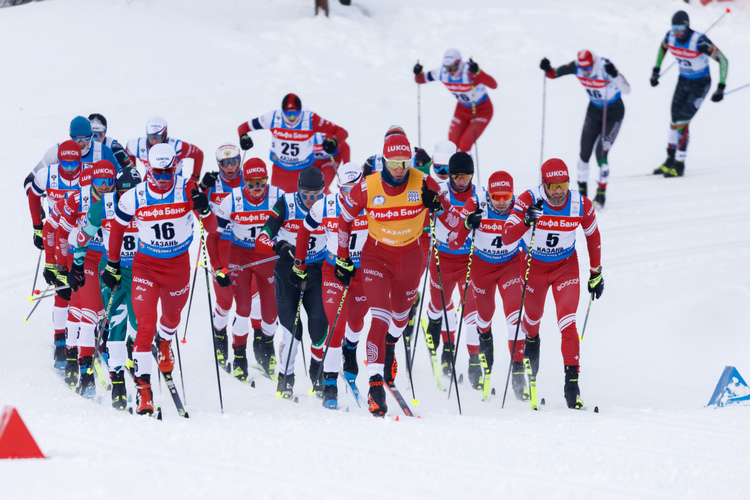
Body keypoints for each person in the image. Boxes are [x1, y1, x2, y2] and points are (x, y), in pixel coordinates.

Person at [335, 132, 463, 417]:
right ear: (383, 161)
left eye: (405, 162)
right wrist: (343, 258)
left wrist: (439, 207)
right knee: (379, 317)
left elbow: (455, 225)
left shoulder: (424, 180)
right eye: (393, 163)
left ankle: (391, 346)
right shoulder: (368, 187)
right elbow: (344, 219)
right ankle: (375, 385)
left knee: (400, 318)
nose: (400, 169)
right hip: (376, 257)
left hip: (412, 257)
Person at [101, 143, 216, 416]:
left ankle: (164, 342)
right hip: (146, 267)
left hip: (177, 267)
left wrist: (205, 207)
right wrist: (114, 264)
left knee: (171, 319)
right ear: (148, 169)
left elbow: (211, 229)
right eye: (158, 172)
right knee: (144, 326)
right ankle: (144, 393)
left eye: (168, 171)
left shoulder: (187, 189)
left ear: (175, 168)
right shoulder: (135, 196)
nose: (163, 178)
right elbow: (117, 230)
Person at [502, 158, 604, 409]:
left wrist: (595, 272)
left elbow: (593, 235)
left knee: (568, 323)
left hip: (564, 268)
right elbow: (506, 237)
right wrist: (526, 220)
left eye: (564, 185)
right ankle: (529, 359)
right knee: (532, 324)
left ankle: (572, 385)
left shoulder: (580, 203)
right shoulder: (528, 199)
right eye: (553, 186)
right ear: (544, 184)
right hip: (533, 268)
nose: (559, 191)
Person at [292, 162, 369, 409]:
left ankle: (351, 349)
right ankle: (330, 382)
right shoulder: (326, 205)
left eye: (355, 188)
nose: (351, 194)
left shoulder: (372, 203)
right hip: (334, 270)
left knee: (357, 321)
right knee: (336, 325)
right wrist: (299, 263)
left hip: (363, 272)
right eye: (346, 189)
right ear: (338, 188)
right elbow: (304, 231)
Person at [67, 167, 143, 409]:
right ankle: (117, 382)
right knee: (116, 324)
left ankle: (141, 375)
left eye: (133, 192)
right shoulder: (104, 206)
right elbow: (82, 237)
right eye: (123, 192)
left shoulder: (148, 202)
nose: (128, 197)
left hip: (143, 270)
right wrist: (76, 266)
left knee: (140, 323)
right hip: (112, 271)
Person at [449, 170, 527, 399]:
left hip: (510, 265)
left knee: (515, 315)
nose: (502, 202)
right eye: (496, 196)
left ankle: (518, 370)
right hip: (482, 266)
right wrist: (466, 224)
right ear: (489, 194)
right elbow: (454, 243)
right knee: (483, 318)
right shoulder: (475, 203)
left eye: (506, 196)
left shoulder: (520, 206)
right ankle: (478, 357)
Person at [255, 166, 329, 398]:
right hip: (289, 271)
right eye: (306, 195)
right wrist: (278, 246)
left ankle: (317, 371)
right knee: (292, 330)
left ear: (323, 192)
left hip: (317, 270)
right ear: (298, 190)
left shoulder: (330, 205)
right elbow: (262, 237)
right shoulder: (286, 204)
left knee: (319, 325)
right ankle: (285, 378)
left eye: (316, 195)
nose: (311, 200)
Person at [212, 157, 283, 382]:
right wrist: (218, 267)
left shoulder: (277, 196)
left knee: (271, 314)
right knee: (242, 308)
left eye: (260, 183)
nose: (256, 189)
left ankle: (267, 350)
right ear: (245, 182)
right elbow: (213, 236)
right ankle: (239, 357)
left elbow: (293, 226)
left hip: (267, 257)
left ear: (267, 181)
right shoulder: (231, 200)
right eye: (251, 183)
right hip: (240, 255)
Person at [56, 160, 118, 398]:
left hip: (106, 260)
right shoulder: (77, 199)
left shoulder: (117, 202)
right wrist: (62, 269)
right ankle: (84, 370)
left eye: (108, 182)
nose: (104, 187)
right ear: (91, 180)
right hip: (82, 260)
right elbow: (61, 232)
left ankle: (72, 355)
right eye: (99, 181)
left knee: (81, 310)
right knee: (90, 312)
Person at [540, 50, 631, 207]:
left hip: (613, 112)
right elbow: (553, 74)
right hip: (594, 111)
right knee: (584, 154)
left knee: (601, 152)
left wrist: (614, 74)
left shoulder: (604, 66)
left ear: (594, 62)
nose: (586, 72)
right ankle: (582, 197)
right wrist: (547, 68)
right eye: (584, 69)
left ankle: (601, 195)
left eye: (589, 68)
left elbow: (627, 90)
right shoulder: (577, 66)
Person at [27, 140, 84, 371]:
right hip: (58, 236)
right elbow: (32, 194)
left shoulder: (89, 175)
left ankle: (90, 333)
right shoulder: (47, 175)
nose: (70, 169)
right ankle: (61, 339)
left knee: (89, 289)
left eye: (75, 164)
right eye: (65, 164)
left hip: (85, 240)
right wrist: (37, 226)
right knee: (63, 291)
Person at [650, 10, 728, 178]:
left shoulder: (699, 41)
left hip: (700, 85)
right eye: (674, 27)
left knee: (682, 121)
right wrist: (656, 70)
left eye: (679, 28)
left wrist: (721, 87)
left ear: (686, 27)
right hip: (683, 81)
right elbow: (663, 48)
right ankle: (669, 160)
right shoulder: (670, 37)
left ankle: (679, 164)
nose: (676, 32)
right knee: (673, 121)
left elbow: (723, 60)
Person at [423, 152, 478, 379]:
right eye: (456, 175)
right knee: (441, 306)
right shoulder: (440, 192)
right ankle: (439, 332)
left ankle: (474, 361)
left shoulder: (479, 196)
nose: (461, 180)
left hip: (469, 259)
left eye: (465, 176)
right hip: (442, 257)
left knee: (472, 311)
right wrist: (427, 207)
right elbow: (424, 222)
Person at [237, 93, 350, 193]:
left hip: (303, 171)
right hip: (280, 170)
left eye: (295, 114)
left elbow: (342, 132)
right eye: (287, 114)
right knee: (279, 204)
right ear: (282, 111)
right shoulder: (273, 117)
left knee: (308, 204)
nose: (291, 118)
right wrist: (243, 137)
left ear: (301, 111)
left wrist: (334, 142)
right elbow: (244, 127)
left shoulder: (310, 119)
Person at [200, 144, 244, 370]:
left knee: (251, 301)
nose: (230, 167)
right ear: (218, 164)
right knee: (225, 301)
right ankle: (220, 335)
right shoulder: (213, 182)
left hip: (244, 245)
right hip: (219, 244)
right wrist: (201, 189)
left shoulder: (250, 180)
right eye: (224, 163)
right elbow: (195, 207)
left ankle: (245, 347)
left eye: (234, 161)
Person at [413, 49, 497, 152]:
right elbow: (420, 79)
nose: (451, 72)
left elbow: (493, 85)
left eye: (453, 68)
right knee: (451, 145)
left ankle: (466, 167)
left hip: (482, 111)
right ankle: (453, 167)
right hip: (462, 111)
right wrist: (418, 72)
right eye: (448, 68)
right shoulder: (442, 73)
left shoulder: (469, 72)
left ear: (459, 64)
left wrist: (478, 72)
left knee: (465, 144)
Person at [24, 116, 123, 194]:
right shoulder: (57, 151)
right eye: (77, 139)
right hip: (61, 215)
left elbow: (121, 180)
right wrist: (37, 205)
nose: (81, 143)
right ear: (70, 136)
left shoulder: (102, 150)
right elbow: (29, 179)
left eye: (85, 139)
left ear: (91, 136)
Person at [125, 116, 205, 182]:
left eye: (158, 137)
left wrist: (195, 178)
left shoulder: (177, 146)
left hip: (175, 185)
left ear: (165, 135)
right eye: (151, 137)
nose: (154, 141)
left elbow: (199, 155)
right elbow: (129, 152)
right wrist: (133, 175)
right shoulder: (137, 146)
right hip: (151, 184)